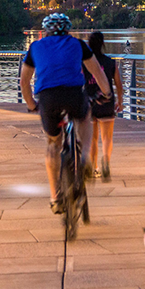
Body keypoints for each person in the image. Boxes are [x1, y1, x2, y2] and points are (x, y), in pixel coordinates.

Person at [20, 14, 111, 214]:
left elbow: (24, 81)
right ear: (68, 30)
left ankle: (55, 198)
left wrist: (31, 104)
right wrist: (106, 93)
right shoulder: (78, 44)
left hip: (48, 97)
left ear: (46, 31)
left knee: (53, 144)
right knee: (85, 118)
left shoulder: (35, 47)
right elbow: (97, 72)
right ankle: (85, 158)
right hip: (73, 94)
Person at [85, 31, 124, 181]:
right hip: (107, 103)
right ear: (103, 44)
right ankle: (106, 162)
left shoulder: (84, 63)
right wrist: (119, 101)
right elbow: (119, 84)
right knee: (107, 137)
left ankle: (94, 168)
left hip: (89, 103)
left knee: (93, 139)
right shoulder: (110, 62)